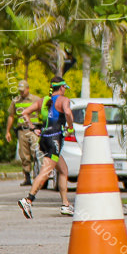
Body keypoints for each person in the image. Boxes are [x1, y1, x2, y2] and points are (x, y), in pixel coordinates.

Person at [18, 78, 74, 218]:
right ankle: (28, 199)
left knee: (63, 170)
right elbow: (67, 113)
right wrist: (70, 128)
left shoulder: (43, 101)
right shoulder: (64, 100)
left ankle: (65, 204)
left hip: (44, 139)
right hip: (54, 140)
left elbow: (24, 112)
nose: (65, 90)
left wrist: (32, 127)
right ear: (60, 88)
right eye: (64, 88)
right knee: (46, 170)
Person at [6, 80, 43, 186]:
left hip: (33, 130)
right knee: (24, 155)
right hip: (22, 131)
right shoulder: (16, 100)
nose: (21, 93)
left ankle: (38, 176)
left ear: (28, 89)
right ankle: (27, 178)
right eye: (20, 91)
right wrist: (7, 131)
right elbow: (11, 116)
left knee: (36, 153)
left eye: (23, 91)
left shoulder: (35, 99)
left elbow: (44, 112)